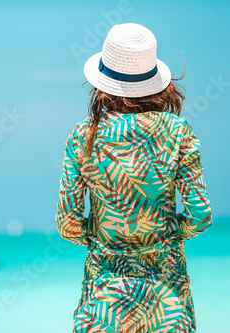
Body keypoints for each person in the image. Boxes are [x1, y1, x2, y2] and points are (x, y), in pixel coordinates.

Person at [56, 23, 212, 332]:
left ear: (102, 81)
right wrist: (168, 236)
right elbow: (201, 215)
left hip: (104, 300)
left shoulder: (83, 136)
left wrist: (102, 239)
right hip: (168, 300)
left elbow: (68, 225)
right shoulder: (178, 133)